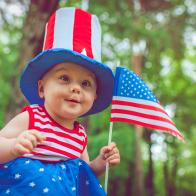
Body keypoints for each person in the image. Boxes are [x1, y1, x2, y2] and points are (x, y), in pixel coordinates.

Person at [0, 7, 120, 196]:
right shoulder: (32, 118)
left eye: (86, 83)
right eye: (64, 78)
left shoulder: (79, 135)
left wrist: (100, 163)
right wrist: (13, 146)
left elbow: (82, 174)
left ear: (95, 95)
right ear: (42, 88)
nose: (76, 88)